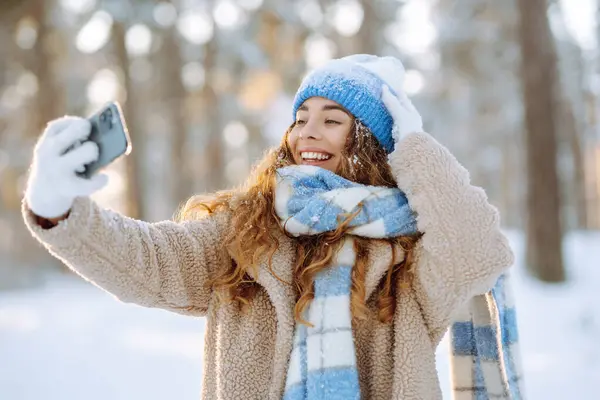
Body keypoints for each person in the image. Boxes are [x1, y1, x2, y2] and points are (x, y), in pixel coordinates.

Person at [22, 54, 514, 400]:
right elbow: (153, 261)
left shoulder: (409, 252)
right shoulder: (248, 230)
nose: (307, 132)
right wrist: (60, 212)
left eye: (332, 119)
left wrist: (416, 149)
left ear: (370, 141)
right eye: (300, 118)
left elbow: (479, 253)